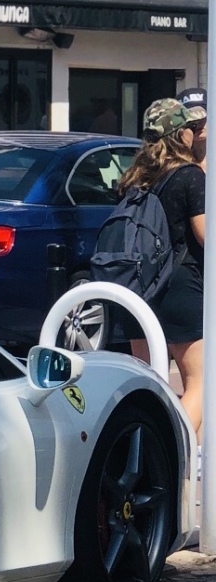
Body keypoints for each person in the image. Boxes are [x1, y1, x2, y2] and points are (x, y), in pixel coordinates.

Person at [119, 97, 207, 435]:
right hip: (179, 286)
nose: (194, 133)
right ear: (179, 134)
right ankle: (174, 453)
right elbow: (204, 236)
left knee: (149, 385)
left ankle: (145, 461)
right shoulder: (188, 176)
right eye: (189, 128)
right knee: (200, 381)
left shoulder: (133, 178)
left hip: (136, 288)